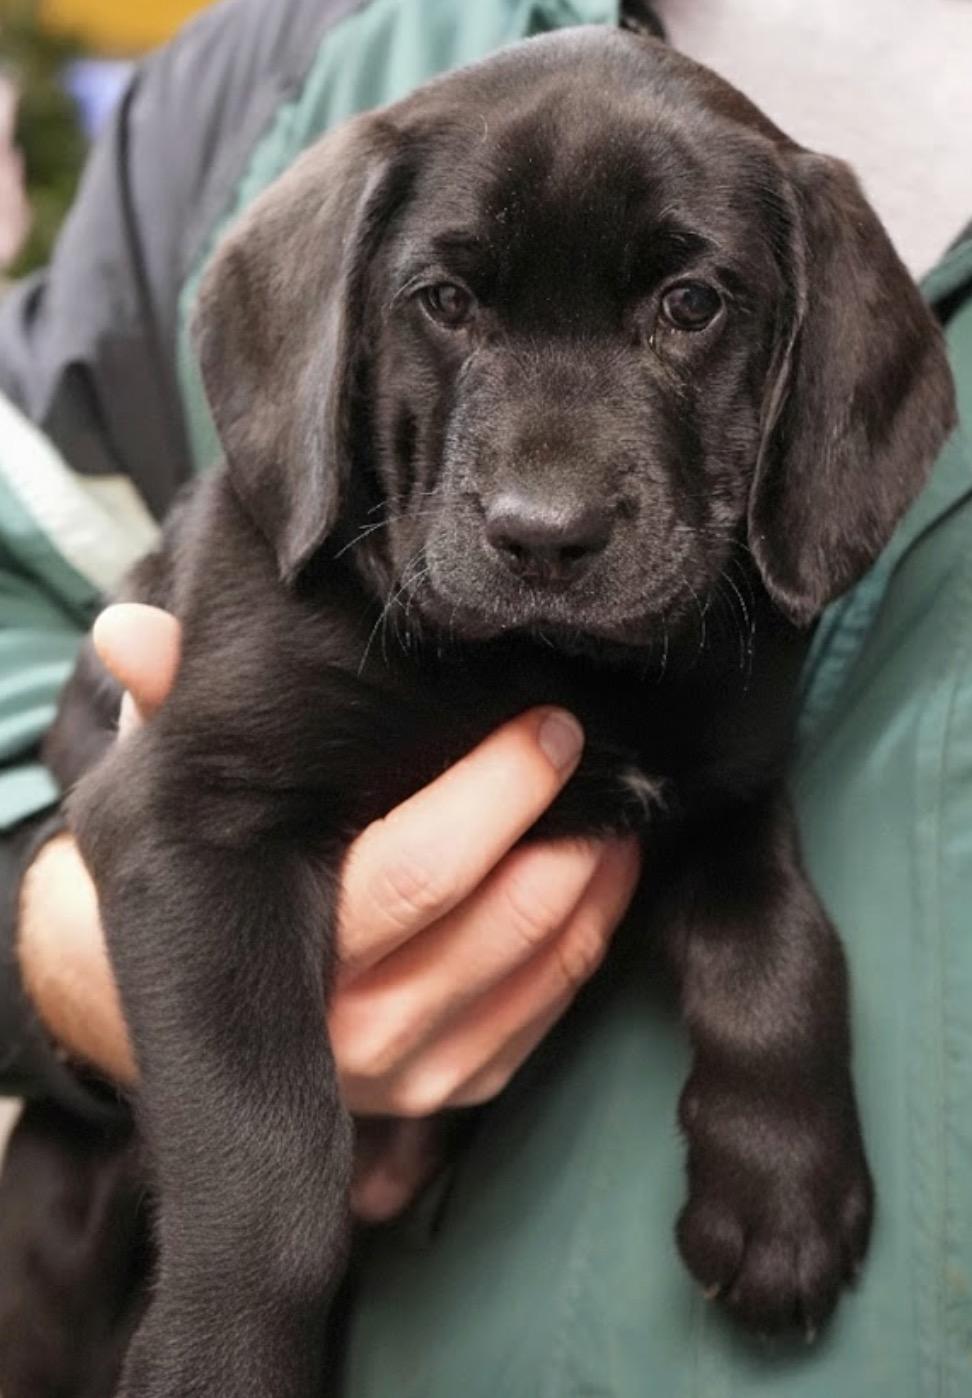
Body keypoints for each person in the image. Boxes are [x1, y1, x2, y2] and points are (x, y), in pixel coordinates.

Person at [1, 1, 970, 1394]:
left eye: (686, 307)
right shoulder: (304, 60)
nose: (546, 494)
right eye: (451, 302)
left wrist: (774, 1032)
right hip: (93, 1260)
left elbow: (717, 815)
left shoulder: (722, 589)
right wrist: (61, 959)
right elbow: (166, 808)